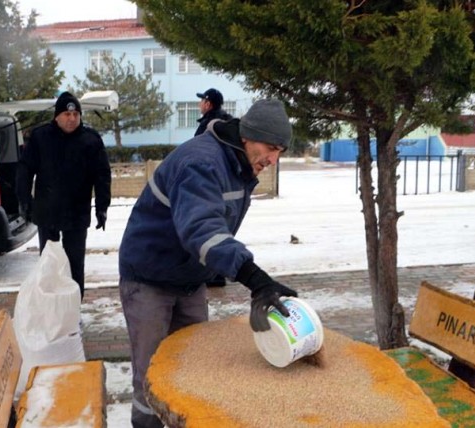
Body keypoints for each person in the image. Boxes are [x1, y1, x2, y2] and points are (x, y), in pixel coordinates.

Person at [118, 99, 298, 428]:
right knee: (151, 375)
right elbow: (202, 230)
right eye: (271, 148)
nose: (273, 160)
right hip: (148, 278)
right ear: (248, 136)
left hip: (188, 279)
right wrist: (255, 278)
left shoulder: (238, 164)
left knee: (193, 365)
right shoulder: (202, 162)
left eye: (280, 152)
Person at [16, 91, 111, 299]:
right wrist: (24, 200)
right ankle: (50, 304)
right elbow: (25, 169)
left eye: (76, 114)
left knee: (75, 264)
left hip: (76, 213)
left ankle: (74, 306)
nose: (72, 118)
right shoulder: (41, 137)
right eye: (67, 115)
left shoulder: (90, 140)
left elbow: (102, 175)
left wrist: (102, 207)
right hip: (47, 212)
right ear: (57, 116)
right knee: (49, 262)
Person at [196, 88, 233, 287]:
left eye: (202, 101)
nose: (199, 104)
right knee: (222, 226)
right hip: (226, 183)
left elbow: (198, 153)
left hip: (211, 182)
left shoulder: (209, 125)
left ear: (208, 104)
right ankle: (217, 272)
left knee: (209, 227)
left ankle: (214, 274)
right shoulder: (226, 122)